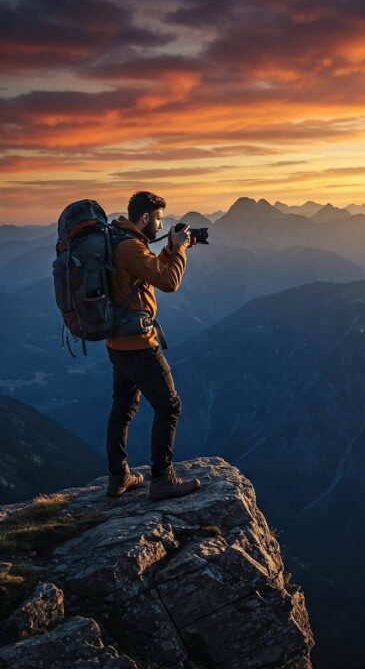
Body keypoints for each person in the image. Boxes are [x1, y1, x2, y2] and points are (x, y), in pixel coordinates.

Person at [105, 190, 201, 500]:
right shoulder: (130, 246)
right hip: (138, 344)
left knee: (123, 407)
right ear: (144, 218)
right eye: (158, 220)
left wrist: (172, 248)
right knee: (169, 405)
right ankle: (162, 479)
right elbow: (169, 282)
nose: (160, 227)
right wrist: (180, 250)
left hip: (117, 342)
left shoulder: (121, 241)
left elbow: (148, 273)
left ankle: (118, 476)